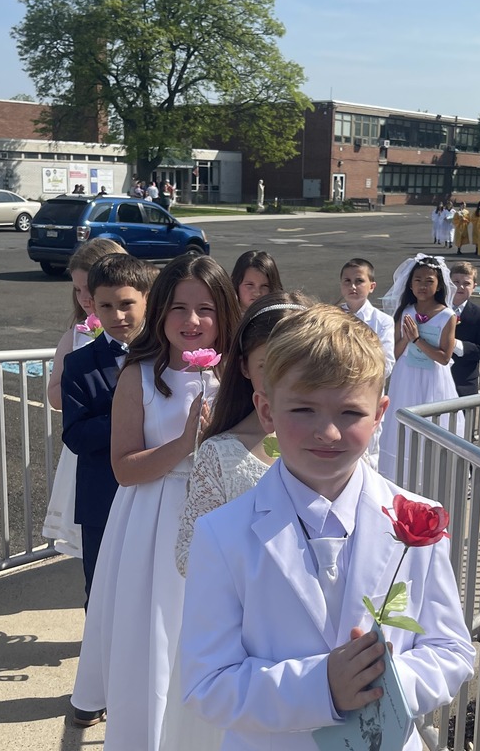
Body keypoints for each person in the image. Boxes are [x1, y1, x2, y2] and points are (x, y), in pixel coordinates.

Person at [179, 305, 476, 751]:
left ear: (380, 414)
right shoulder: (222, 534)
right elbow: (205, 683)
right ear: (266, 410)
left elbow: (451, 649)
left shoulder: (419, 516)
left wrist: (386, 684)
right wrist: (322, 687)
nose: (329, 433)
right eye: (303, 409)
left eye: (350, 414)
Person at [70, 253, 241, 744]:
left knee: (215, 634)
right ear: (159, 311)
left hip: (223, 517)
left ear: (223, 312)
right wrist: (185, 442)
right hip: (156, 518)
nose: (192, 321)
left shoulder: (239, 373)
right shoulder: (139, 376)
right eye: (178, 308)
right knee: (159, 637)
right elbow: (125, 468)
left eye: (205, 309)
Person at [162, 292, 312, 751]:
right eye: (271, 363)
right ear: (245, 367)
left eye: (300, 360)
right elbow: (189, 553)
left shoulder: (334, 445)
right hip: (246, 636)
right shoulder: (220, 452)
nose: (286, 377)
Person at [61, 254, 156, 603]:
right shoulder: (79, 364)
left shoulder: (168, 357)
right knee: (102, 589)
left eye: (127, 304)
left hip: (157, 491)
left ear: (147, 298)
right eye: (106, 305)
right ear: (92, 306)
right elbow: (75, 435)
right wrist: (128, 417)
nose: (117, 315)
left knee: (153, 585)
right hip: (103, 497)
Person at [42, 238, 127, 560]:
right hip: (92, 450)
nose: (85, 298)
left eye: (88, 287)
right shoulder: (76, 336)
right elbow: (55, 395)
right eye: (78, 290)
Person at [378, 255, 462, 482]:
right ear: (410, 284)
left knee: (432, 425)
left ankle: (430, 477)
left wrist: (417, 340)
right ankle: (401, 477)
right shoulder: (405, 312)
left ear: (439, 284)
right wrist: (406, 340)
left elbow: (444, 358)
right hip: (406, 376)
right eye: (417, 280)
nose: (422, 286)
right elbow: (394, 354)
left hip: (433, 379)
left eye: (428, 281)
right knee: (401, 426)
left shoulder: (447, 315)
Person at [338, 258, 395, 379]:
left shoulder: (383, 321)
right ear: (341, 284)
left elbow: (387, 364)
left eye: (359, 281)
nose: (352, 286)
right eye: (347, 281)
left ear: (372, 286)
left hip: (367, 386)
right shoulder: (331, 315)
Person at [448, 261, 480, 397]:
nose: (460, 286)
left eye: (467, 283)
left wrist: (456, 344)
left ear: (474, 287)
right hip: (433, 380)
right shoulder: (435, 309)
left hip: (464, 383)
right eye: (455, 282)